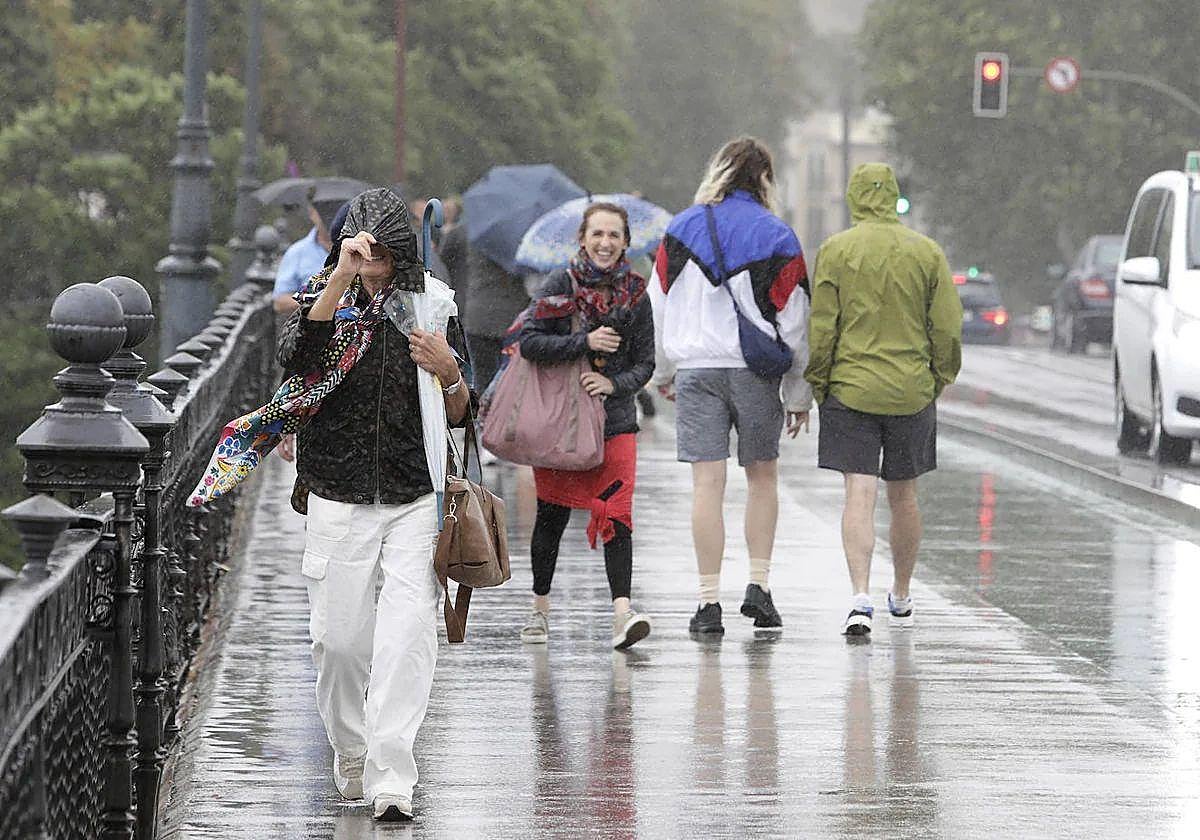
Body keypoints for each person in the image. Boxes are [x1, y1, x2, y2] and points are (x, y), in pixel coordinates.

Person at [278, 188, 474, 820]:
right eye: (362, 251)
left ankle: (393, 776)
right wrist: (341, 275)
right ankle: (351, 748)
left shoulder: (434, 305)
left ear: (405, 255)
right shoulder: (324, 298)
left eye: (385, 254)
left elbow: (465, 412)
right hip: (336, 493)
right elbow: (296, 362)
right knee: (337, 643)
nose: (373, 264)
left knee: (407, 634)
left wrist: (447, 369)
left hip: (415, 494)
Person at [649, 137, 811, 636]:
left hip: (696, 369)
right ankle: (759, 588)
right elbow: (796, 316)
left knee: (707, 485)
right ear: (765, 180)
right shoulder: (777, 235)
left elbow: (657, 305)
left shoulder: (680, 229)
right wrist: (798, 390)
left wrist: (663, 372)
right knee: (762, 479)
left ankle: (707, 601)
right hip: (755, 372)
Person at [804, 162, 962, 638]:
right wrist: (938, 378)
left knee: (859, 492)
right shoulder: (927, 253)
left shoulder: (836, 250)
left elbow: (823, 326)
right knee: (904, 495)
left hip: (850, 389)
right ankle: (903, 591)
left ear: (854, 197)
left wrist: (819, 381)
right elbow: (947, 328)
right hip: (911, 391)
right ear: (894, 197)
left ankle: (859, 597)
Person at [517, 202, 655, 650]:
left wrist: (613, 384)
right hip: (562, 423)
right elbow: (532, 342)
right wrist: (585, 342)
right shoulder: (561, 284)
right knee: (551, 515)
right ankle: (540, 610)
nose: (605, 243)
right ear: (582, 238)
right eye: (597, 234)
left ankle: (622, 613)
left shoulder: (636, 295)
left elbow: (645, 363)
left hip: (614, 422)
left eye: (614, 235)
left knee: (617, 513)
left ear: (625, 243)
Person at [272, 199, 346, 314]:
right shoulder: (297, 252)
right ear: (312, 213)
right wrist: (318, 300)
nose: (331, 219)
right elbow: (280, 302)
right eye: (324, 211)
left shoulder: (358, 250)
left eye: (337, 211)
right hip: (310, 327)